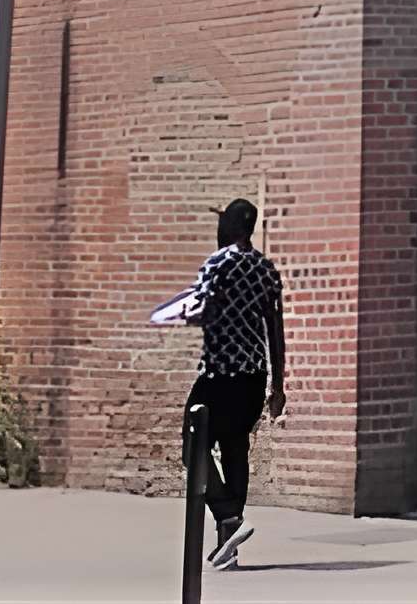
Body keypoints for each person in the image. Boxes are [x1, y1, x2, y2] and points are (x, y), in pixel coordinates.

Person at [182, 198, 287, 570]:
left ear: (229, 228)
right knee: (235, 449)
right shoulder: (266, 269)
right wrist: (277, 386)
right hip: (254, 376)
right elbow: (275, 330)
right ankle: (228, 547)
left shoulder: (217, 265)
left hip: (219, 375)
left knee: (192, 446)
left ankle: (228, 516)